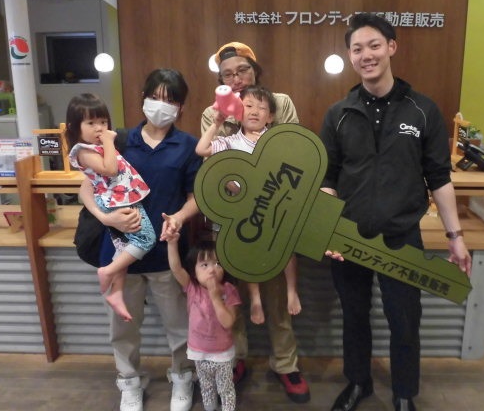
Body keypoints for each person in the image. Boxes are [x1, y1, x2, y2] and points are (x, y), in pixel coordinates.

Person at [319, 13, 472, 411]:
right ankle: (359, 383)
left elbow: (439, 177)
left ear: (391, 47)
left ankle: (404, 392)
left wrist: (456, 237)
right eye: (357, 49)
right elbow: (328, 177)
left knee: (405, 319)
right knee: (354, 317)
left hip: (401, 236)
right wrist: (328, 229)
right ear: (350, 56)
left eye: (374, 45)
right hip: (348, 235)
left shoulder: (422, 110)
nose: (366, 55)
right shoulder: (339, 113)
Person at [79, 69, 202, 411]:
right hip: (120, 253)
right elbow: (87, 187)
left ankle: (182, 377)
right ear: (143, 98)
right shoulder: (117, 140)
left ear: (181, 106)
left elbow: (196, 197)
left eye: (170, 100)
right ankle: (130, 381)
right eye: (155, 97)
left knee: (179, 325)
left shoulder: (188, 146)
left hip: (167, 251)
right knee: (123, 327)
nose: (161, 105)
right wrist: (106, 217)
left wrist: (179, 217)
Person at [200, 42, 310, 403]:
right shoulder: (213, 112)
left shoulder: (280, 102)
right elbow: (212, 164)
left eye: (242, 70)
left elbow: (293, 149)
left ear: (255, 70)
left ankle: (286, 364)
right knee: (232, 294)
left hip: (274, 213)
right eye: (227, 74)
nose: (236, 78)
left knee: (277, 294)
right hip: (231, 217)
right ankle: (236, 358)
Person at [196, 85, 302, 325]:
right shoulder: (230, 141)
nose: (254, 111)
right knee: (247, 249)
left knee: (286, 245)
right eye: (249, 106)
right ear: (237, 113)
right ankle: (255, 299)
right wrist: (216, 122)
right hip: (243, 207)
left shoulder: (278, 140)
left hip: (273, 204)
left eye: (262, 108)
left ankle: (291, 290)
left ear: (271, 116)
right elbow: (201, 149)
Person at [66, 93, 156, 322]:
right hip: (117, 202)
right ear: (75, 127)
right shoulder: (83, 151)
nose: (99, 128)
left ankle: (116, 292)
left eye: (103, 121)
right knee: (146, 239)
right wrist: (108, 140)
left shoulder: (96, 147)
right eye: (91, 123)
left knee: (123, 248)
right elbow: (110, 170)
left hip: (122, 199)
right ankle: (107, 271)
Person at [165, 228, 241, 411]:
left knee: (225, 389)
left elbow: (228, 322)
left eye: (217, 264)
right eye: (204, 265)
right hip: (198, 351)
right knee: (206, 387)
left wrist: (215, 297)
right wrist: (172, 243)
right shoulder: (192, 287)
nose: (212, 270)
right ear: (194, 270)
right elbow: (176, 268)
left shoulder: (229, 290)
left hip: (222, 353)